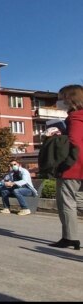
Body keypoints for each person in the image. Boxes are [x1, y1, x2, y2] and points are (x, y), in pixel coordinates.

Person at [49, 85, 83, 250]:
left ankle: (70, 237)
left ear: (70, 99)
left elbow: (75, 141)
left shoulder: (75, 117)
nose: (59, 102)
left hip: (73, 166)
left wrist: (59, 137)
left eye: (61, 98)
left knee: (66, 202)